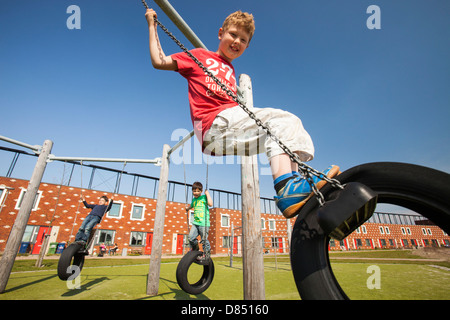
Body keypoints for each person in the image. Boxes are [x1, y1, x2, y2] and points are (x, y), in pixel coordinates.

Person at [145, 9, 339, 219]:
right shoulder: (200, 56)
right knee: (283, 120)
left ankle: (294, 183)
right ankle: (286, 187)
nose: (237, 41)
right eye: (233, 34)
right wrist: (152, 25)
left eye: (243, 40)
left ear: (247, 46)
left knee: (286, 128)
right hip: (214, 124)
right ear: (221, 33)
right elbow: (159, 61)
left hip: (225, 135)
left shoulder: (230, 69)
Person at [185, 182, 213, 260]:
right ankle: (195, 248)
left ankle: (206, 254)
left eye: (198, 191)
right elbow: (191, 205)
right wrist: (187, 209)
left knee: (204, 240)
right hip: (196, 223)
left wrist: (207, 194)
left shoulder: (204, 197)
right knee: (191, 238)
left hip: (204, 224)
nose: (196, 193)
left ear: (201, 191)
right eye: (194, 191)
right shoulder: (194, 200)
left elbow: (210, 204)